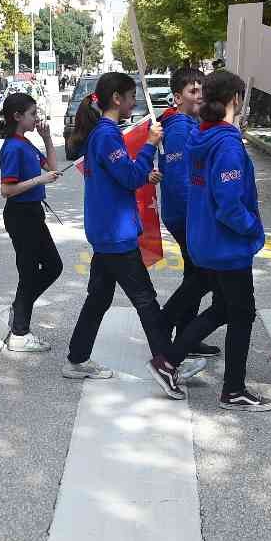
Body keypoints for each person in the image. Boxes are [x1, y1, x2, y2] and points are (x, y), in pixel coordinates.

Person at [60, 71, 181, 397]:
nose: (134, 103)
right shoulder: (107, 135)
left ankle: (76, 358)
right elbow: (127, 176)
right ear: (117, 99)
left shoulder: (105, 134)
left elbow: (123, 176)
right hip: (114, 233)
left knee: (98, 298)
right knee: (146, 301)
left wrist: (144, 173)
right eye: (131, 97)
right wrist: (149, 147)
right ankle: (165, 363)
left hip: (108, 230)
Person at [163, 71, 271, 411]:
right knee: (242, 313)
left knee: (225, 308)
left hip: (209, 240)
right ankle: (233, 389)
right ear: (236, 100)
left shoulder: (202, 135)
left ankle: (167, 359)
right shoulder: (225, 143)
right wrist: (252, 228)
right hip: (227, 245)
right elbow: (229, 204)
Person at [0, 92, 62, 352]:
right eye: (32, 114)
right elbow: (6, 190)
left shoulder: (27, 143)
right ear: (17, 116)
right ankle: (20, 333)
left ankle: (17, 311)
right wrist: (38, 181)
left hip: (34, 213)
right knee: (29, 272)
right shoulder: (12, 147)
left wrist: (47, 139)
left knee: (53, 266)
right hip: (20, 215)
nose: (37, 118)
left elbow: (52, 168)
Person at [157, 67, 217, 356]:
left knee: (196, 273)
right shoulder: (179, 127)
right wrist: (198, 216)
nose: (200, 96)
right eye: (194, 91)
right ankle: (167, 323)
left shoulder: (187, 123)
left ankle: (186, 334)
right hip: (185, 214)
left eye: (202, 89)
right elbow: (180, 180)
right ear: (177, 97)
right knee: (204, 275)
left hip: (188, 213)